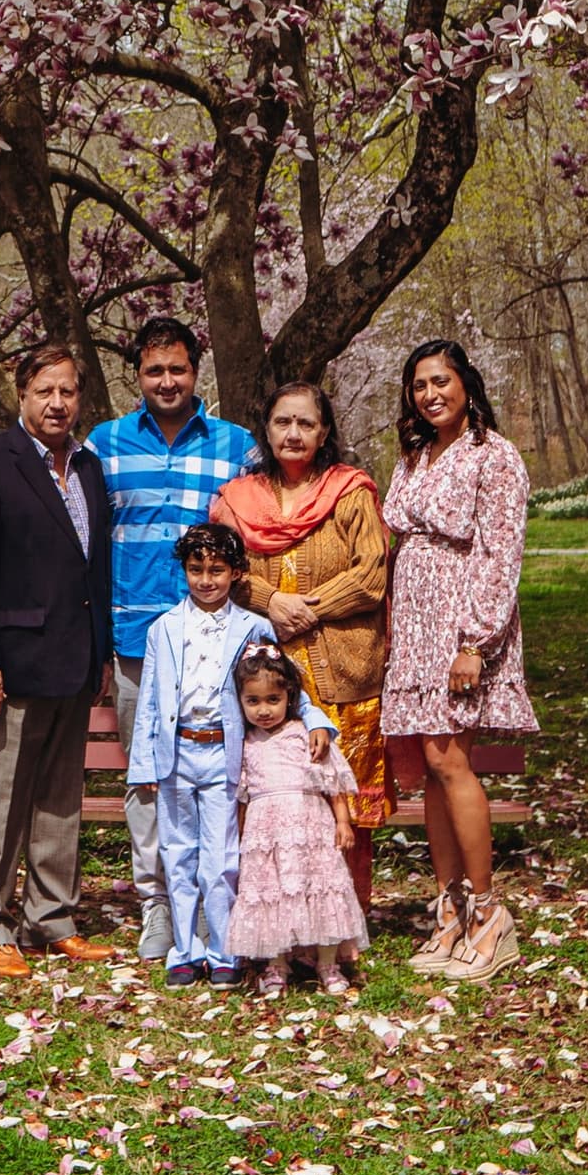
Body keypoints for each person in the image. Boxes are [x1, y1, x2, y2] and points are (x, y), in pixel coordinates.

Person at [0, 341, 119, 980]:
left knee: (59, 798)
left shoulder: (90, 469)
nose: (57, 402)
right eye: (45, 390)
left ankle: (52, 919)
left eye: (68, 391)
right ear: (22, 393)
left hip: (73, 661)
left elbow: (91, 567)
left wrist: (99, 650)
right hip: (8, 667)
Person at [87, 317, 259, 958]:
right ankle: (157, 905)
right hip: (135, 638)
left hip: (217, 640)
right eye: (155, 370)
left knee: (224, 777)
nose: (167, 381)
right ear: (138, 374)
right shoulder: (103, 446)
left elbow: (260, 533)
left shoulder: (236, 445)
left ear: (196, 372)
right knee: (148, 777)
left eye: (178, 370)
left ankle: (219, 902)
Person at [381, 340, 538, 985]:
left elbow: (501, 553)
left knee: (451, 759)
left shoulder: (493, 457)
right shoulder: (414, 457)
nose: (429, 394)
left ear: (466, 384)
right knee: (430, 771)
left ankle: (489, 913)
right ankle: (449, 906)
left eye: (440, 381)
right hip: (413, 627)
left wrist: (475, 641)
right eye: (419, 384)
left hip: (460, 628)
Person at [212, 377, 392, 911]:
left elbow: (372, 576)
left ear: (325, 431)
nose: (293, 433)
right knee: (277, 805)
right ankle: (281, 924)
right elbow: (224, 572)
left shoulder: (350, 491)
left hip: (347, 673)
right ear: (265, 430)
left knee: (344, 804)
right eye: (282, 422)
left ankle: (345, 922)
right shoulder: (235, 502)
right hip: (266, 688)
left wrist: (304, 607)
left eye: (305, 423)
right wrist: (270, 601)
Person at [123, 523, 301, 989]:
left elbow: (281, 687)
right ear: (184, 571)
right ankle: (185, 950)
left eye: (217, 570)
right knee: (178, 853)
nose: (206, 580)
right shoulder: (164, 629)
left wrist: (314, 722)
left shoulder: (254, 628)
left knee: (222, 857)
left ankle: (224, 950)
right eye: (197, 569)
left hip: (224, 753)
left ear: (235, 573)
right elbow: (150, 702)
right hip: (176, 753)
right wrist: (144, 763)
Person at [227, 647, 371, 999]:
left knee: (321, 890)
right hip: (268, 835)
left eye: (273, 699)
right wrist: (243, 835)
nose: (263, 710)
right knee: (272, 893)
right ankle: (277, 963)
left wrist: (343, 822)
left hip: (311, 829)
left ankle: (327, 962)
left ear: (290, 696)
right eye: (253, 701)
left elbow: (331, 783)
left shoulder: (304, 733)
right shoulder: (244, 742)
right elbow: (243, 797)